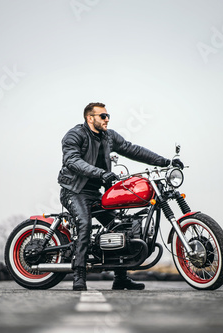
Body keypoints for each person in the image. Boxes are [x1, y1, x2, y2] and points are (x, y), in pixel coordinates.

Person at [58, 102, 183, 291]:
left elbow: (133, 149)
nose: (107, 119)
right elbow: (72, 160)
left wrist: (165, 161)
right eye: (103, 116)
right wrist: (101, 173)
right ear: (90, 118)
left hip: (95, 193)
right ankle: (79, 275)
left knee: (121, 225)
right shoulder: (75, 135)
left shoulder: (109, 137)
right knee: (84, 223)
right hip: (73, 191)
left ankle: (120, 278)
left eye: (108, 116)